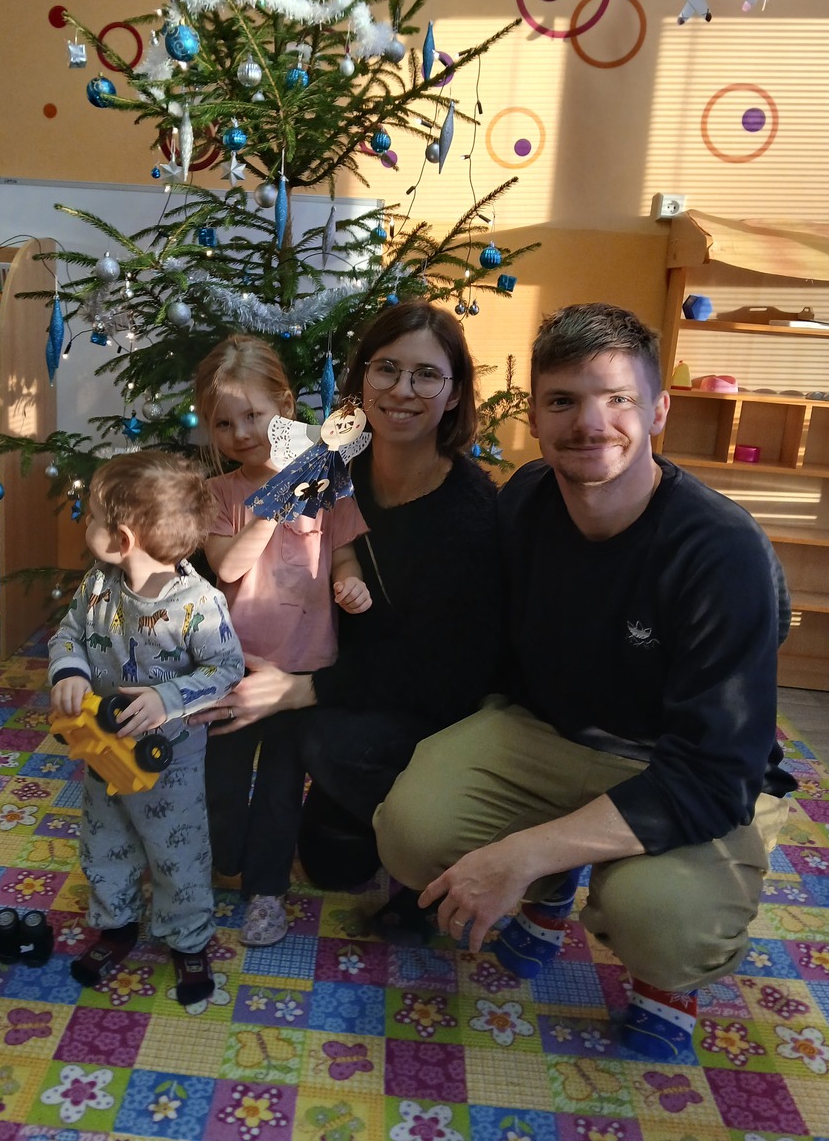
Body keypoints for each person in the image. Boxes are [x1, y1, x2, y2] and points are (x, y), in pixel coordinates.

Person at [374, 302, 796, 1060]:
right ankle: (555, 883)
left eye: (618, 398)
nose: (590, 424)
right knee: (410, 832)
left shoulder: (721, 551)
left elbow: (715, 771)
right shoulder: (525, 500)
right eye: (563, 401)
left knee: (664, 920)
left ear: (658, 410)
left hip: (679, 765)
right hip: (548, 733)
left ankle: (664, 976)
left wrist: (520, 853)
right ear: (535, 417)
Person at [189, 302, 503, 913]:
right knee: (330, 860)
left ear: (455, 393)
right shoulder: (331, 467)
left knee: (320, 755)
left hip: (413, 704)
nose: (402, 390)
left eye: (426, 375)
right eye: (387, 369)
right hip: (305, 673)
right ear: (361, 380)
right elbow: (227, 565)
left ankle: (423, 820)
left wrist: (303, 688)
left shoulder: (470, 514)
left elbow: (447, 670)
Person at [48, 449, 244, 1005]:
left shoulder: (199, 604)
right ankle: (116, 923)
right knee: (104, 840)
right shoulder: (98, 584)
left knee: (177, 851)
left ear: (124, 537)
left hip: (169, 762)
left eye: (92, 517)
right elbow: (68, 633)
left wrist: (167, 698)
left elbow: (226, 669)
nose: (86, 525)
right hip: (101, 750)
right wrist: (69, 670)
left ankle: (187, 938)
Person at [195, 335, 371, 946]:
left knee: (279, 790)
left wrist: (351, 584)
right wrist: (274, 500)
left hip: (301, 672)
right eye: (224, 423)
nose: (241, 433)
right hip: (233, 670)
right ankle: (226, 860)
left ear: (287, 409)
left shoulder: (330, 483)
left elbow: (343, 554)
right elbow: (229, 567)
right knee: (221, 784)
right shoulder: (218, 494)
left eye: (253, 416)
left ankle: (266, 891)